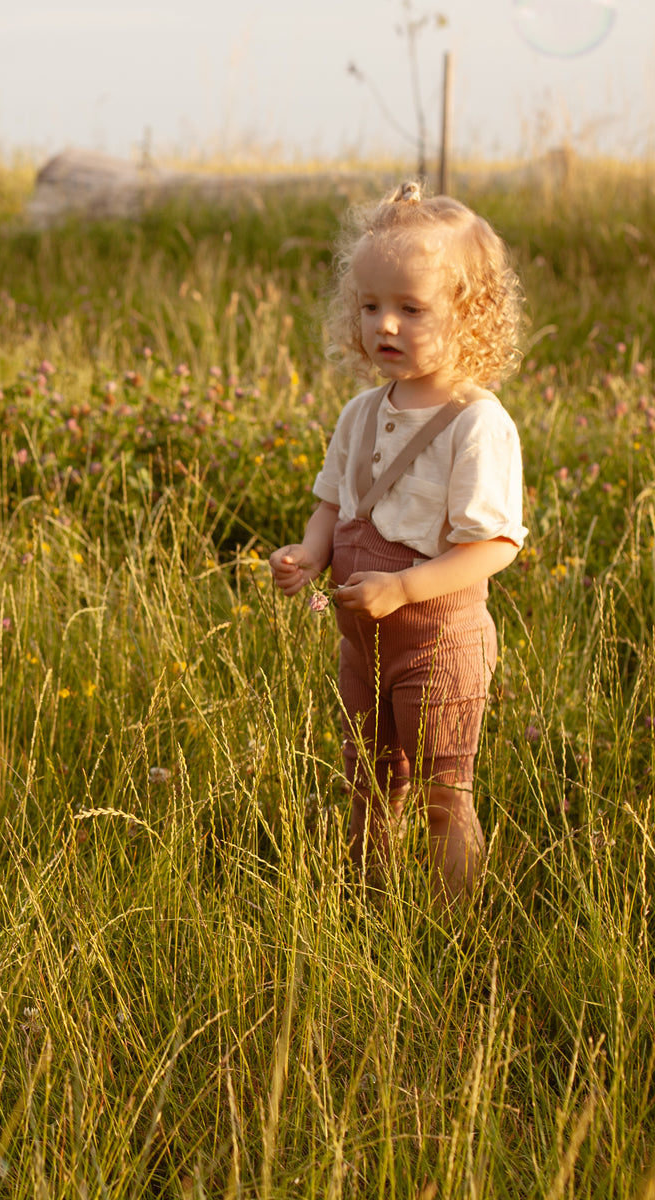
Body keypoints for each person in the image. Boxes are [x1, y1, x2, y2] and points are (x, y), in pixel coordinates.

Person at [269, 181, 526, 907]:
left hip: (437, 637)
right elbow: (333, 499)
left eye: (411, 309)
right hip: (362, 639)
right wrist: (309, 553)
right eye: (371, 305)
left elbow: (495, 545)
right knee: (370, 778)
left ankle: (455, 923)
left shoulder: (476, 423)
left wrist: (404, 587)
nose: (385, 325)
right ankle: (370, 904)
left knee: (445, 789)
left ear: (469, 315)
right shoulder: (360, 412)